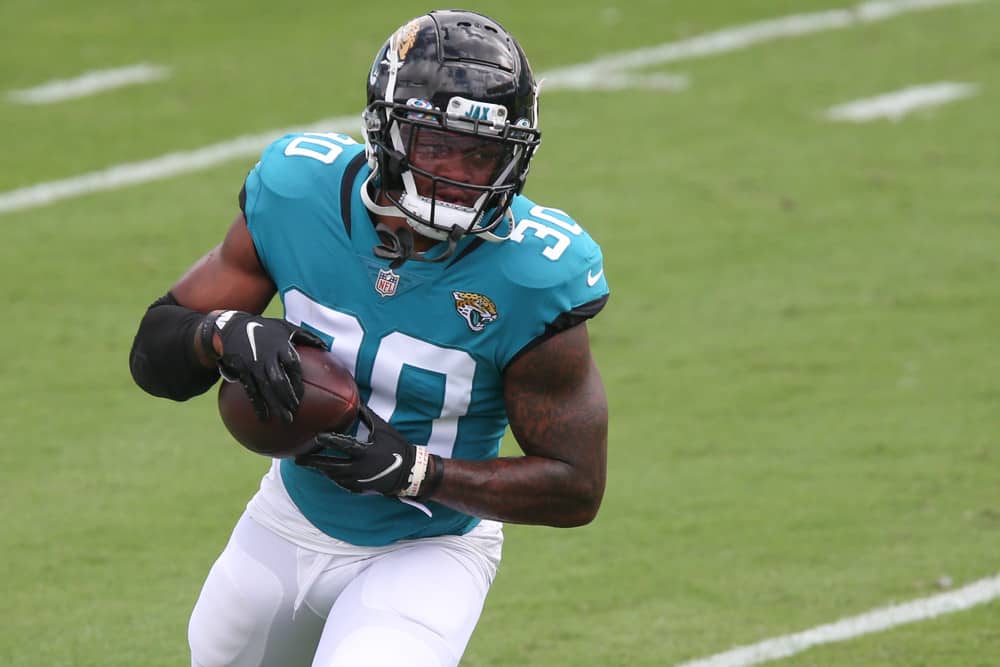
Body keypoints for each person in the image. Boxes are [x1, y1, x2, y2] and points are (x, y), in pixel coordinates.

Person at [129, 9, 609, 667]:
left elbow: (575, 485)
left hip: (431, 544)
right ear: (385, 132)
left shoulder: (534, 273)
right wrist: (222, 333)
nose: (460, 175)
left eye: (483, 153)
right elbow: (155, 356)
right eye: (436, 145)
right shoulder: (299, 194)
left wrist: (421, 471)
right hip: (291, 514)